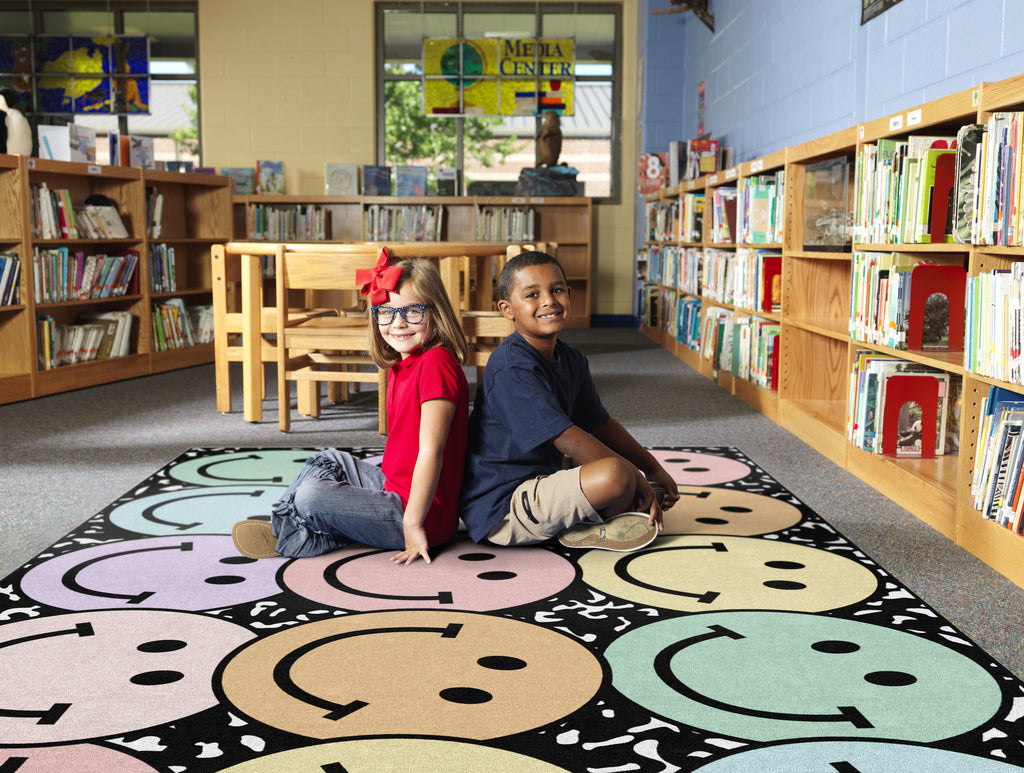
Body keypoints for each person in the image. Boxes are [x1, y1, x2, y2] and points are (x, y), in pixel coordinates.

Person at [232, 252, 470, 565]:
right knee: (327, 459)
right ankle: (299, 524)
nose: (397, 323)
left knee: (311, 496)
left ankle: (300, 532)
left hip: (422, 515)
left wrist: (412, 524)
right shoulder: (402, 364)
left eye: (412, 311)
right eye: (385, 312)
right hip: (393, 485)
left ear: (435, 313)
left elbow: (431, 452)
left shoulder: (437, 363)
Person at [458, 250, 680, 552]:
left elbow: (600, 423)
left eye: (557, 289)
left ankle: (605, 512)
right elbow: (565, 437)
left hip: (545, 478)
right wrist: (634, 477)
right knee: (615, 474)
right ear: (507, 309)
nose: (548, 300)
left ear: (569, 294)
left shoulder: (571, 357)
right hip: (503, 507)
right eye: (532, 294)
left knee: (617, 473)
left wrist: (651, 467)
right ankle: (591, 523)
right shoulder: (511, 365)